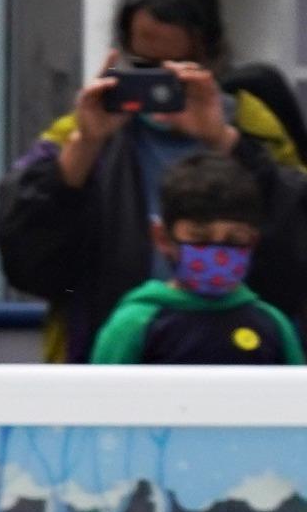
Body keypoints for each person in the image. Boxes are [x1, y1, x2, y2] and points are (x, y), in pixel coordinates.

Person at [0, 0, 307, 365]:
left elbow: (297, 242)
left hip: (243, 354)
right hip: (109, 350)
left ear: (212, 58)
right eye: (144, 66)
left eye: (179, 68)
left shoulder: (252, 123)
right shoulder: (79, 132)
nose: (160, 84)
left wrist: (225, 140)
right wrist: (87, 144)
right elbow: (26, 266)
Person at [90, 150, 304, 365]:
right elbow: (102, 395)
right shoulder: (134, 324)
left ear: (253, 241)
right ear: (163, 238)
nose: (218, 253)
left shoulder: (272, 324)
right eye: (200, 238)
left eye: (234, 239)